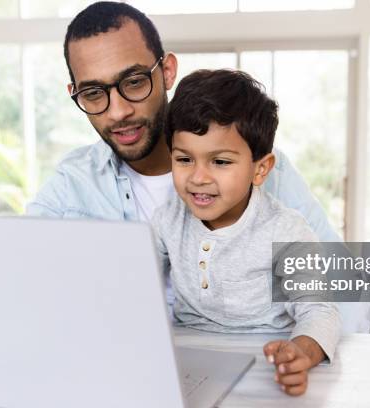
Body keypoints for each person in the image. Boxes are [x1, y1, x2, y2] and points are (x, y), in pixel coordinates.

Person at [25, 1, 370, 333]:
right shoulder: (72, 185)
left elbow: (350, 297)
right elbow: (16, 283)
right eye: (93, 94)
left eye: (133, 82)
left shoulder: (262, 168)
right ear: (75, 93)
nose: (117, 112)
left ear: (166, 72)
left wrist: (294, 355)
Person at [152, 68, 340, 396]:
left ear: (260, 168)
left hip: (265, 360)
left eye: (220, 162)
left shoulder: (285, 228)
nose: (198, 177)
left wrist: (302, 352)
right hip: (188, 360)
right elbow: (133, 285)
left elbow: (319, 309)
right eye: (184, 159)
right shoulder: (167, 219)